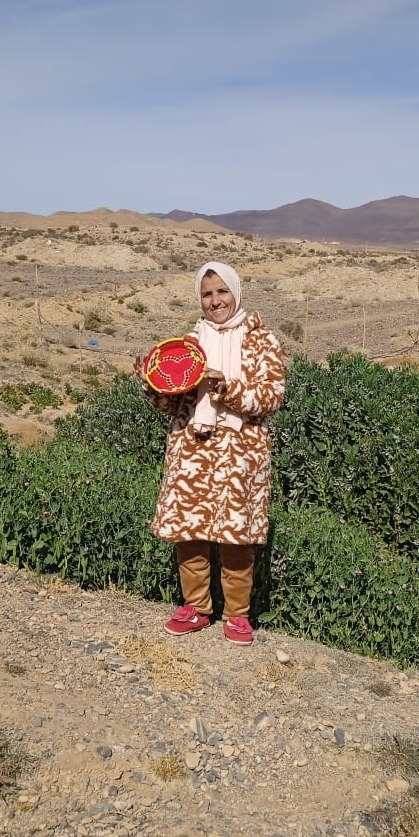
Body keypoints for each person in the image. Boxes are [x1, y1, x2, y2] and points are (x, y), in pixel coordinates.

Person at [136, 261, 285, 645]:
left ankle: (237, 615)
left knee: (236, 536)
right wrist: (152, 381)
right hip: (192, 448)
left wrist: (228, 388)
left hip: (241, 451)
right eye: (207, 294)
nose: (215, 300)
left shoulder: (262, 340)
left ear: (235, 292)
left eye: (222, 291)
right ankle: (196, 608)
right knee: (190, 533)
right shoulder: (188, 344)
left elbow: (271, 397)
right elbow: (170, 405)